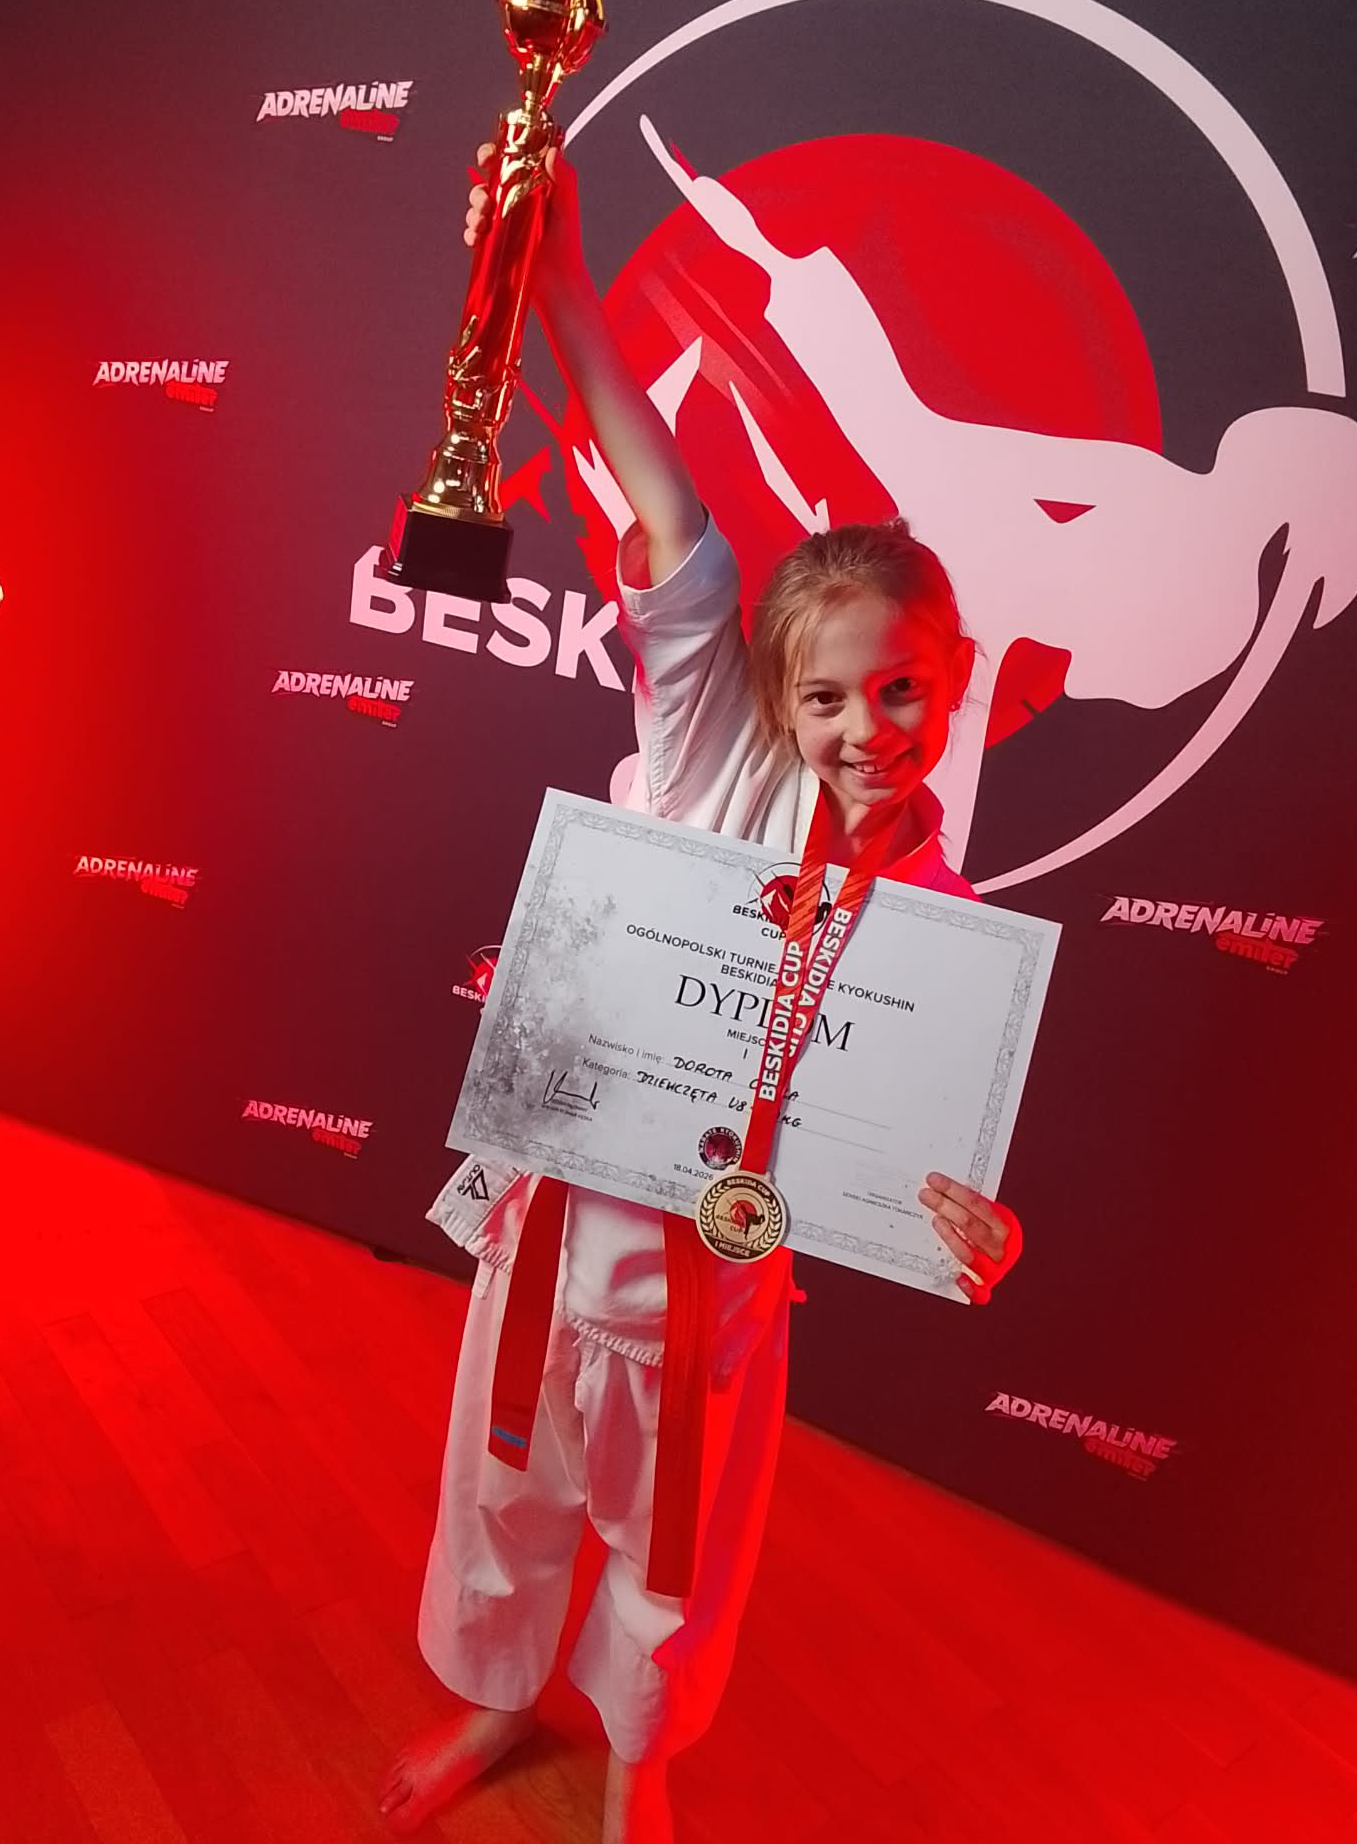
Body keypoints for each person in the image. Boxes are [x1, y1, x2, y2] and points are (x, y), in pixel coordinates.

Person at [379, 145, 1024, 1843]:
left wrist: (968, 1223)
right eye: (829, 697)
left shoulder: (945, 924)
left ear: (954, 687)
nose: (866, 730)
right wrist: (562, 289)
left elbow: (917, 1152)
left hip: (717, 1300)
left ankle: (636, 1763)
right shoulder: (705, 756)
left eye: (903, 692)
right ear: (766, 694)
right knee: (504, 1494)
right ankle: (494, 1707)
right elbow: (670, 518)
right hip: (552, 1238)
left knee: (674, 1561)